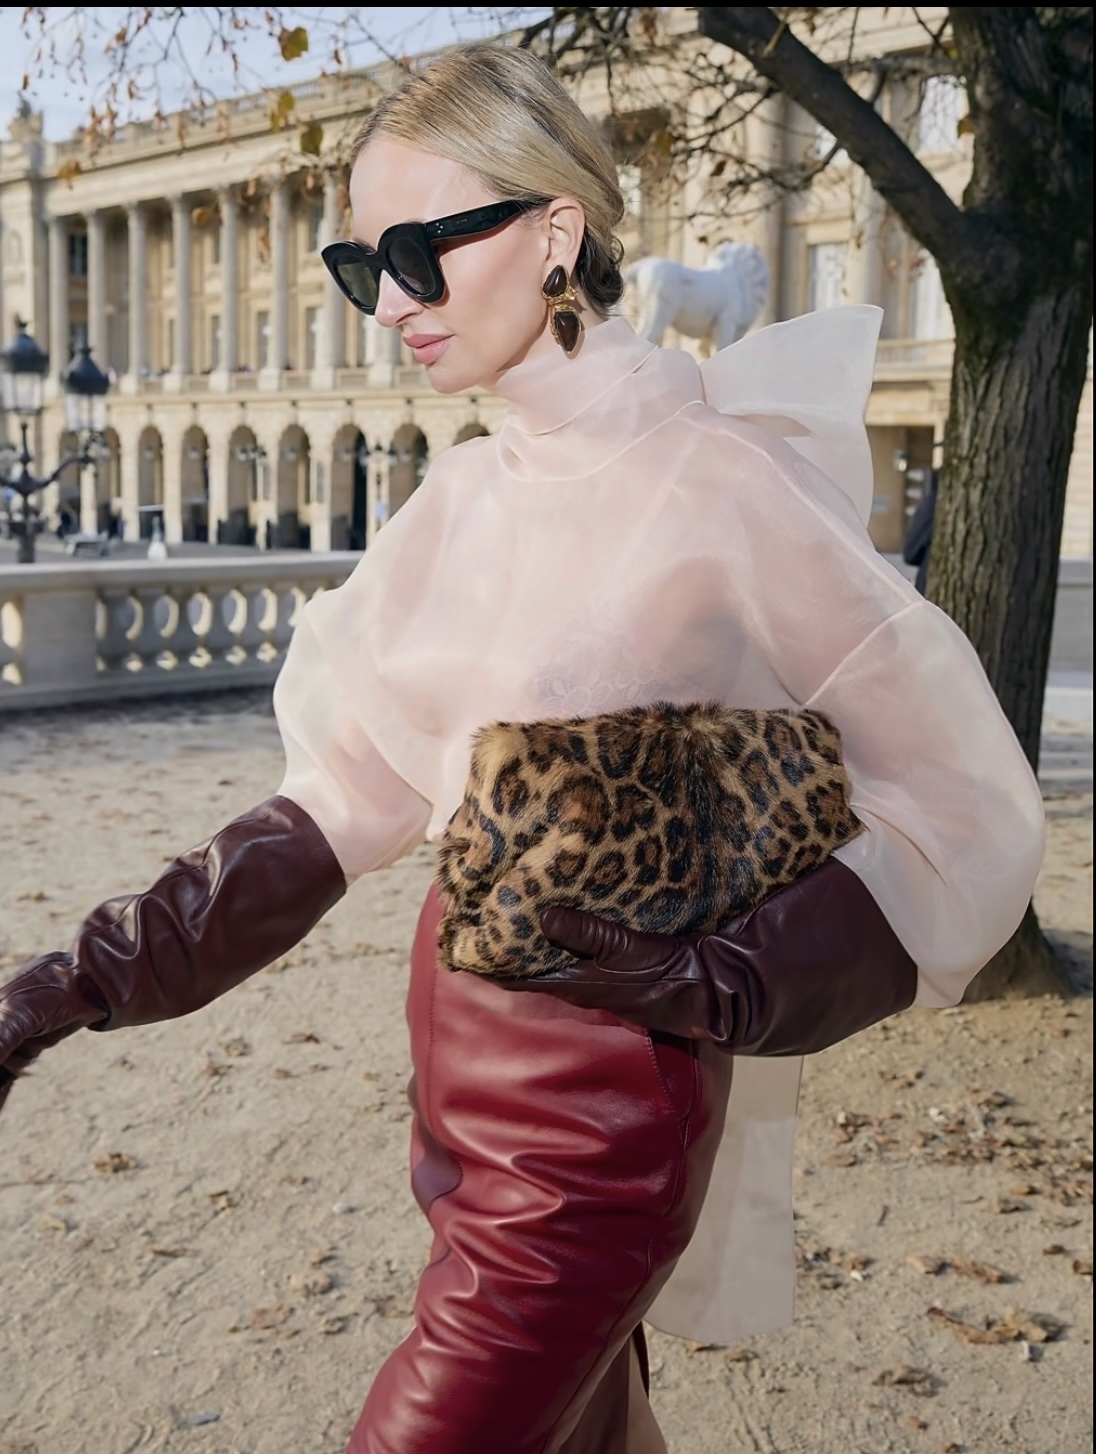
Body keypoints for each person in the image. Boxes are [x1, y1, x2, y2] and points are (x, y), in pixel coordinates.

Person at [0, 43, 1045, 1454]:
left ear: (557, 231)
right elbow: (343, 800)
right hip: (455, 1113)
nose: (390, 304)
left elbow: (962, 801)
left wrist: (731, 979)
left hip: (597, 1136)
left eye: (418, 252)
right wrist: (76, 980)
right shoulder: (460, 499)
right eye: (360, 264)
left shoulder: (723, 480)